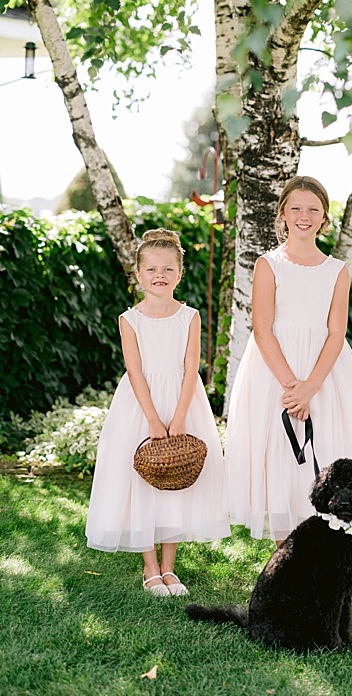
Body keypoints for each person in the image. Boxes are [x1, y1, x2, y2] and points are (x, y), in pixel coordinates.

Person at [224, 176, 352, 542]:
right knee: (279, 454)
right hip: (275, 372)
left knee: (326, 447)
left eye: (313, 209)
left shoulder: (336, 270)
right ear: (282, 213)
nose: (304, 216)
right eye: (295, 208)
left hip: (325, 373)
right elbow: (262, 329)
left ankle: (330, 539)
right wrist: (293, 389)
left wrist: (311, 387)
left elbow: (336, 332)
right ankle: (286, 550)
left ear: (325, 217)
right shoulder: (269, 264)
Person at [85, 229, 229, 596]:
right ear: (138, 274)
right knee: (143, 480)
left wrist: (179, 417)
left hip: (182, 401)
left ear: (179, 274)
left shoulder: (189, 316)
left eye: (167, 269)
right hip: (140, 405)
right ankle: (150, 567)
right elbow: (135, 371)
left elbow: (191, 368)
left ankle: (169, 567)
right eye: (151, 269)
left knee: (175, 476)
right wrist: (152, 418)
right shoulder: (130, 319)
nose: (159, 275)